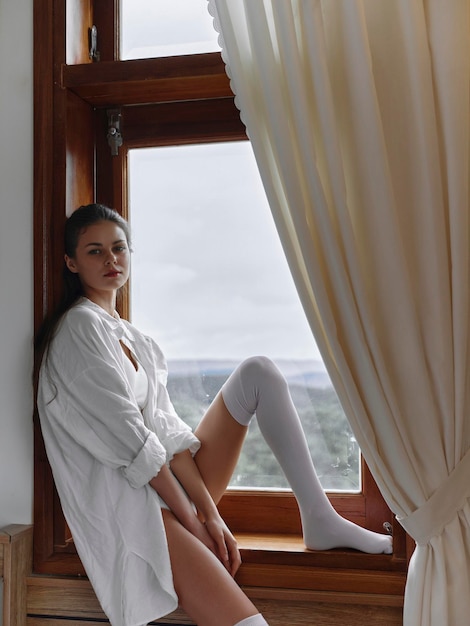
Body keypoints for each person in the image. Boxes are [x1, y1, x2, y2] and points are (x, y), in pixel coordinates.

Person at [35, 203, 393, 626]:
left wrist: (211, 513)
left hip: (164, 488)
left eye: (119, 248)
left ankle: (319, 517)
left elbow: (167, 436)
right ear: (71, 262)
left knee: (257, 372)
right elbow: (135, 446)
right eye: (95, 251)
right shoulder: (80, 329)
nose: (111, 259)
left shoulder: (134, 338)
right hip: (134, 507)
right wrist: (193, 523)